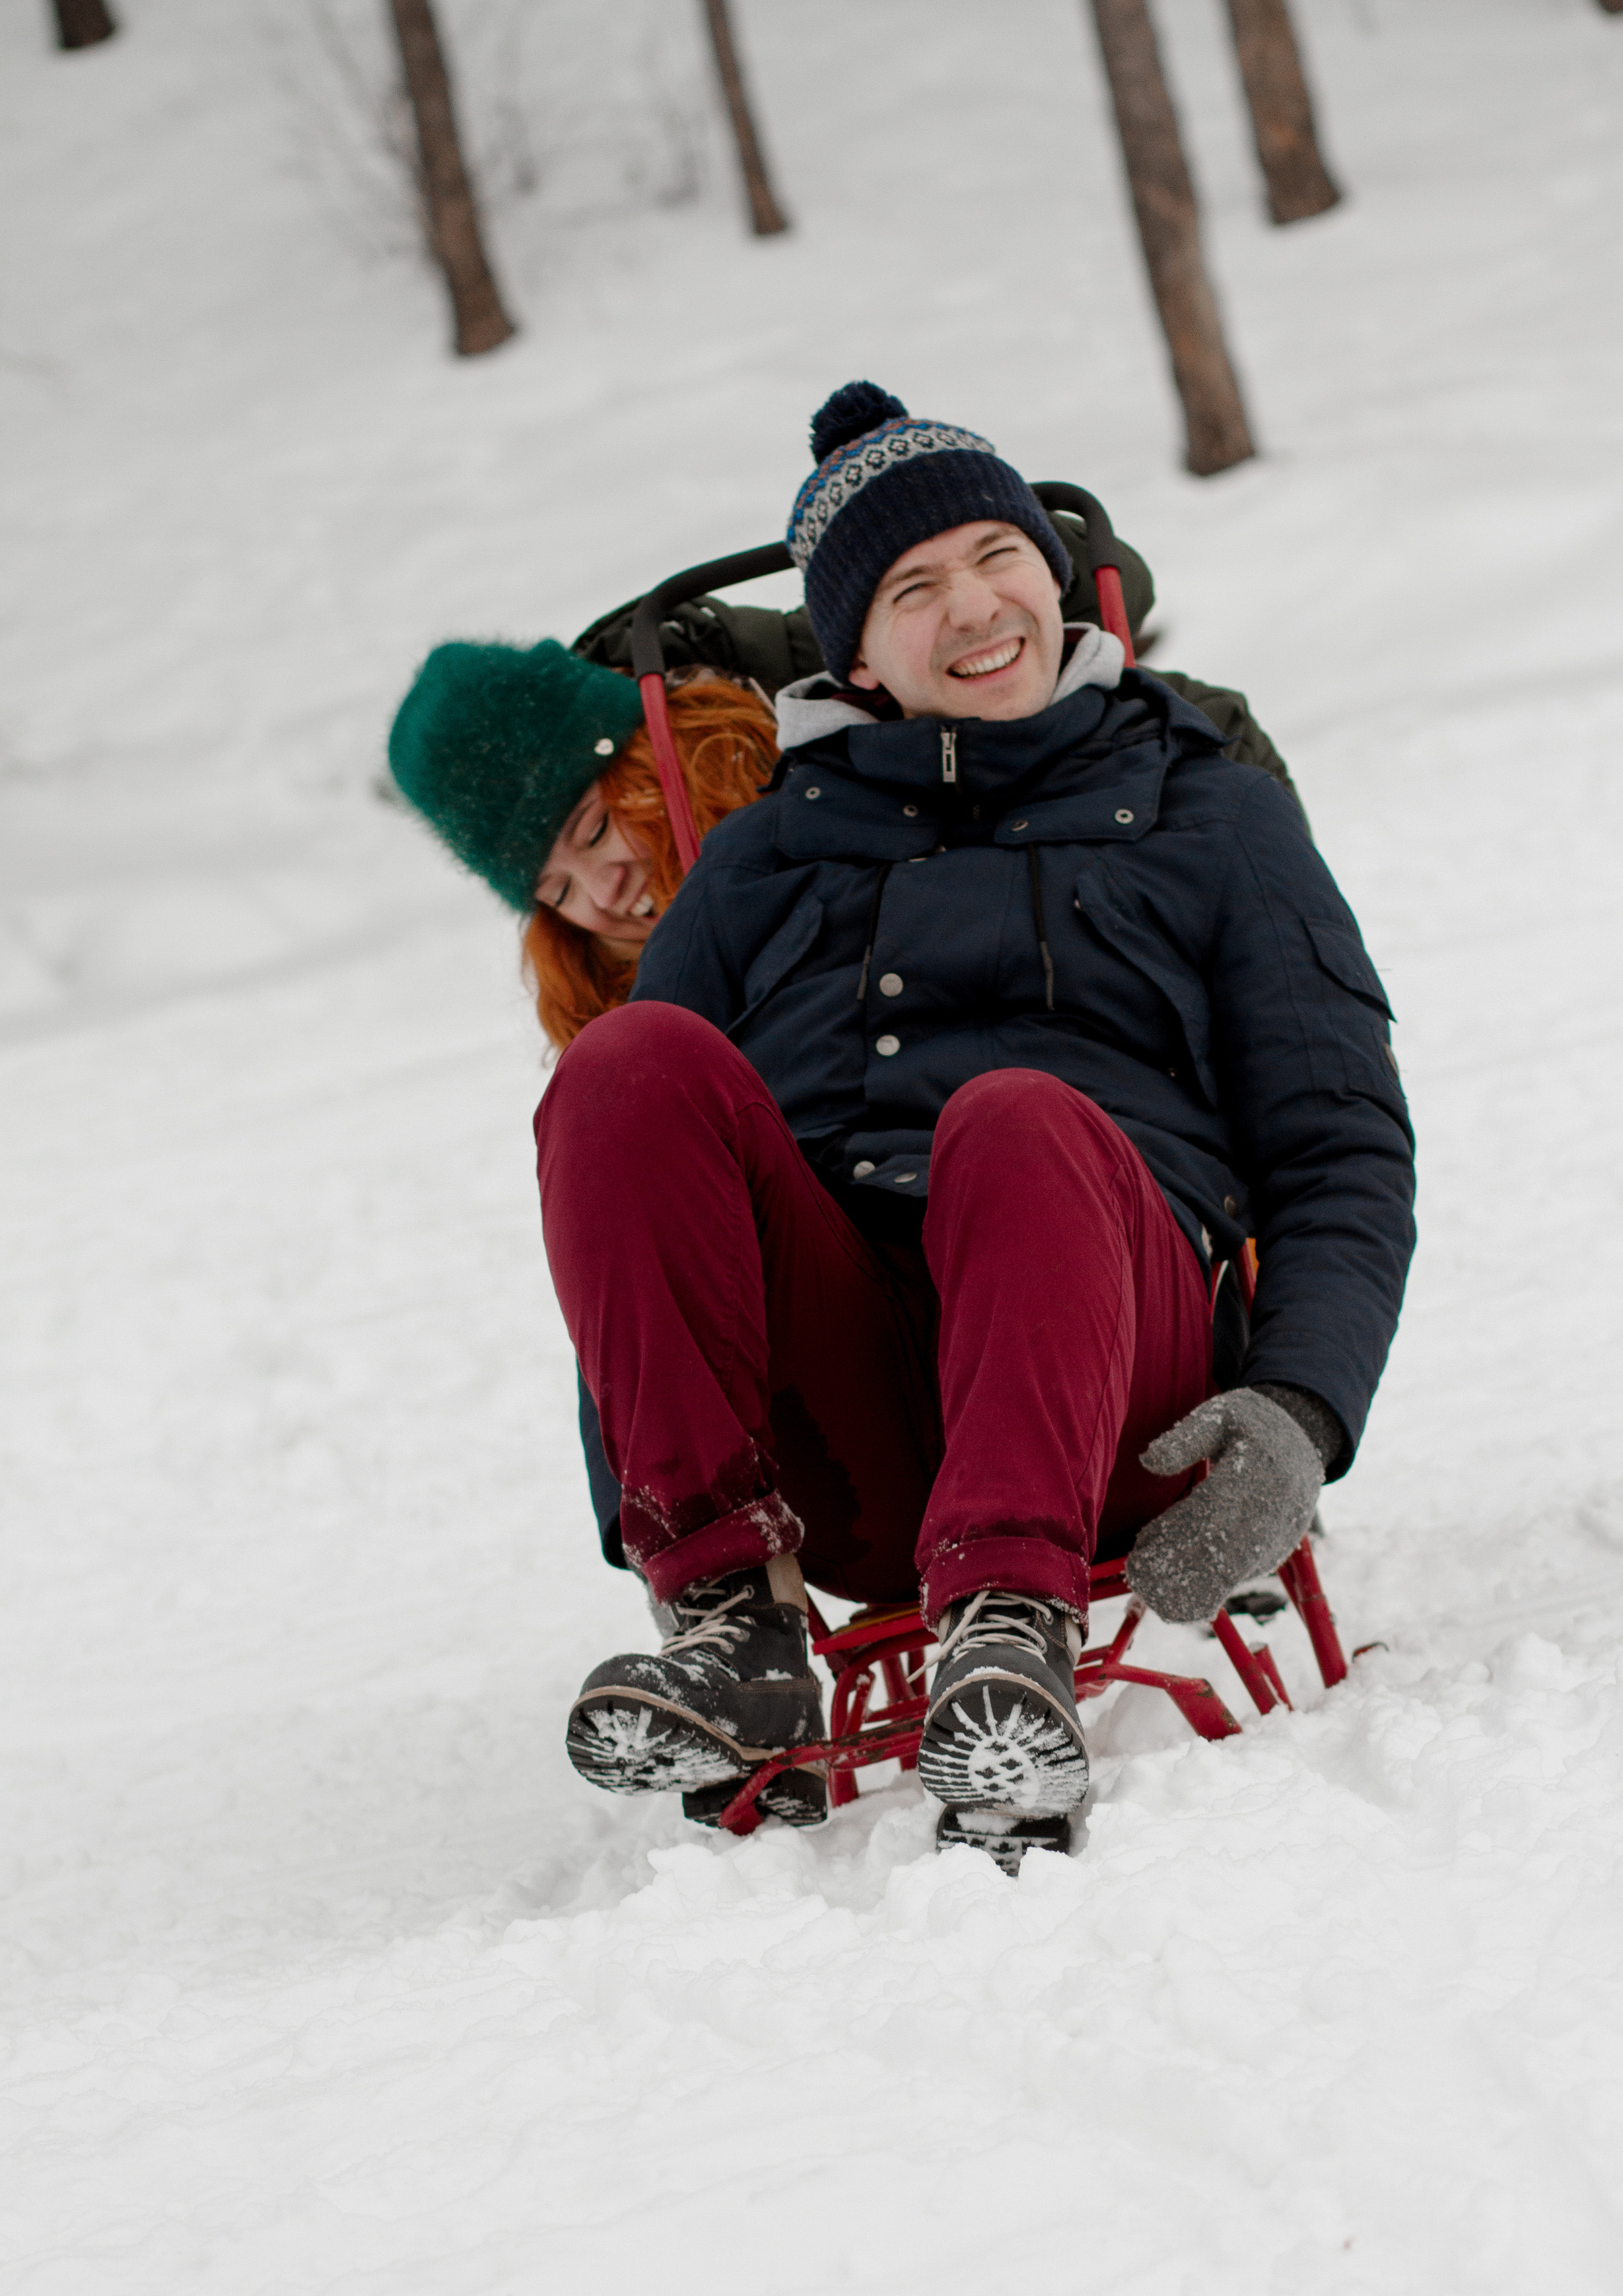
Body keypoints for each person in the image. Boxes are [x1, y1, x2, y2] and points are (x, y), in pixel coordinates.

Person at [537, 381, 1416, 1844]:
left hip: (1120, 1400)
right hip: (858, 1436)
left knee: (1018, 1115)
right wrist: (644, 1517)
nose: (973, 605)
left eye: (996, 555)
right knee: (623, 1067)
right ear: (857, 656)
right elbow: (637, 1216)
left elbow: (1337, 1141)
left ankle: (1010, 1638)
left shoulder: (1207, 808)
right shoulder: (755, 867)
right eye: (910, 586)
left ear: (1052, 573)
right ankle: (733, 1636)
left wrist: (1301, 1413)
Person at [385, 640, 778, 1046]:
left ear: (664, 757)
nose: (605, 893)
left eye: (597, 831)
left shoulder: (826, 799)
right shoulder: (628, 1041)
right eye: (560, 892)